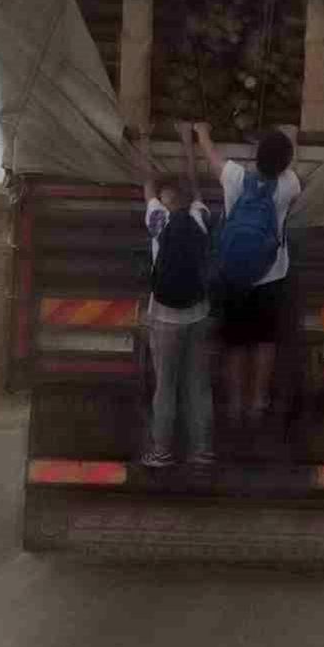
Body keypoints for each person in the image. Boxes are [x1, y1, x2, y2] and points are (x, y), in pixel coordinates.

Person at [194, 120, 301, 438]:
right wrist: (290, 137)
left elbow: (211, 157)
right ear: (284, 162)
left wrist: (202, 133)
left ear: (255, 159)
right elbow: (285, 167)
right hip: (271, 277)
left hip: (234, 277)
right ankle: (258, 402)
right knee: (265, 342)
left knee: (235, 343)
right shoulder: (287, 186)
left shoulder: (235, 179)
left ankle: (236, 405)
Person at [139, 121, 214, 468]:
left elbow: (147, 182)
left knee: (165, 386)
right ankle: (201, 451)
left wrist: (144, 140)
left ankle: (162, 451)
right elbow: (193, 183)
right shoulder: (200, 218)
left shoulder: (158, 221)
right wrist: (189, 142)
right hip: (198, 312)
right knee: (198, 385)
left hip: (165, 316)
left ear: (167, 201)